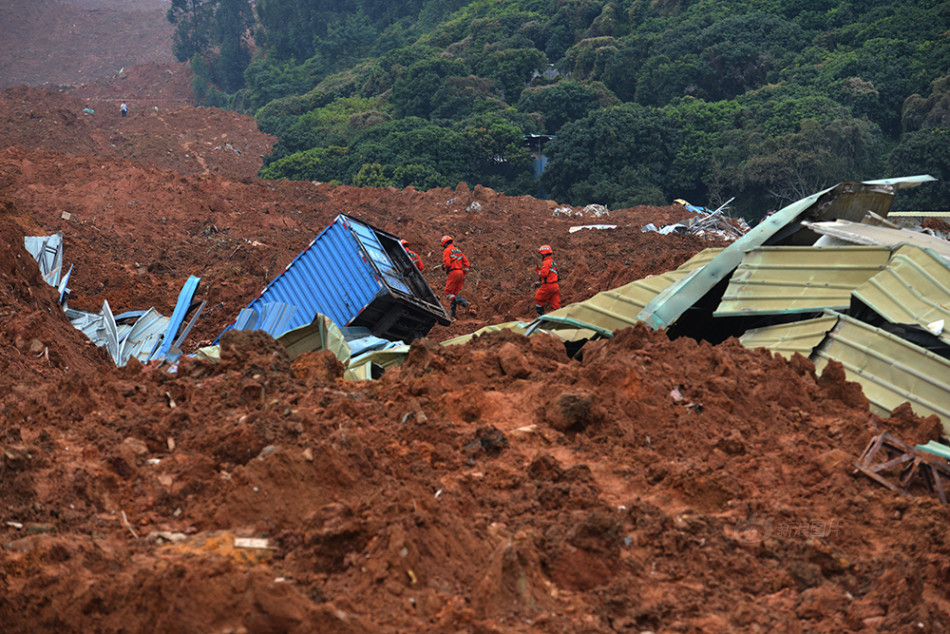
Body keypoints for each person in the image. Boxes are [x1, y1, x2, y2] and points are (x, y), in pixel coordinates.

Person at [441, 235, 470, 318]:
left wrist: (444, 267)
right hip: (460, 273)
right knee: (453, 295)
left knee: (448, 294)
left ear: (445, 244)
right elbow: (467, 263)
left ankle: (466, 304)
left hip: (453, 273)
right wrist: (463, 272)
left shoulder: (447, 250)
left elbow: (447, 264)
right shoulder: (458, 251)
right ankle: (452, 314)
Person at [534, 244, 560, 316]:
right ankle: (562, 317)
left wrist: (538, 271)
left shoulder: (546, 262)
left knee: (538, 298)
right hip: (555, 286)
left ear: (544, 254)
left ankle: (540, 317)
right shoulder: (552, 262)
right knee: (556, 304)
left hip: (548, 286)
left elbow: (544, 274)